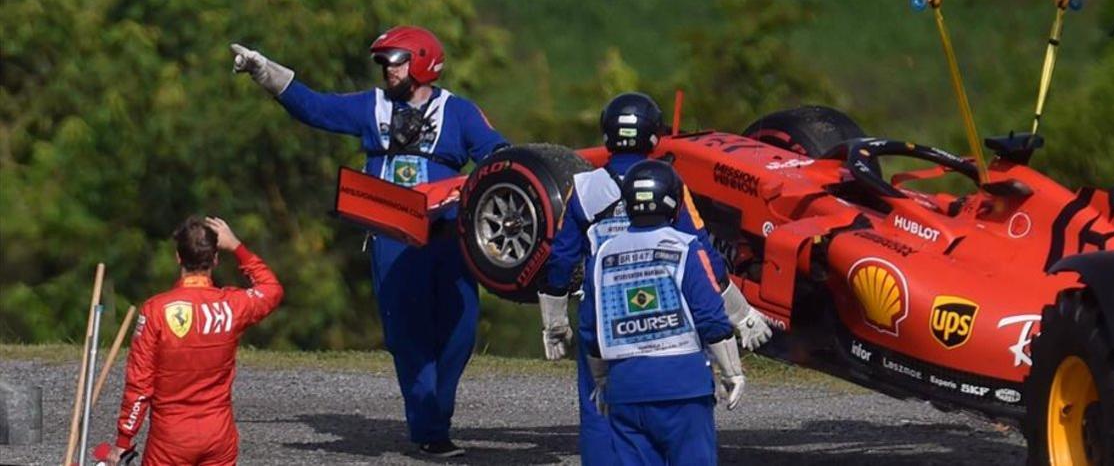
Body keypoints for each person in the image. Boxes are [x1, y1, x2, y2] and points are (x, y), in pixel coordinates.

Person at [230, 26, 507, 458]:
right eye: (383, 62)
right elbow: (315, 108)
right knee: (407, 334)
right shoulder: (370, 106)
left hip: (450, 235)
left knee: (461, 330)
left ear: (421, 61)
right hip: (393, 237)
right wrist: (265, 72)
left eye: (394, 60)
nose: (386, 69)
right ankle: (429, 430)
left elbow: (495, 151)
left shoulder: (460, 112)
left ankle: (438, 409)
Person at [536, 92, 770, 463]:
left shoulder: (582, 188)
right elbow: (701, 253)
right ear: (653, 137)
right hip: (667, 305)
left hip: (604, 308)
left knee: (601, 406)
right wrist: (740, 314)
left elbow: (560, 259)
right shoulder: (668, 183)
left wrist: (553, 322)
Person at [579, 160, 746, 466]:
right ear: (674, 203)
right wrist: (732, 372)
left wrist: (602, 381)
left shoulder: (601, 256)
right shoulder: (686, 248)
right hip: (683, 387)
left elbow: (591, 330)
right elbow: (711, 318)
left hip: (625, 388)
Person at [107, 217, 283, 466]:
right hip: (219, 435)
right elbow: (271, 289)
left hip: (170, 439)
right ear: (215, 259)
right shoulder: (232, 305)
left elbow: (139, 382)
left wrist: (124, 440)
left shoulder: (156, 310)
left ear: (178, 258)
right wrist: (237, 247)